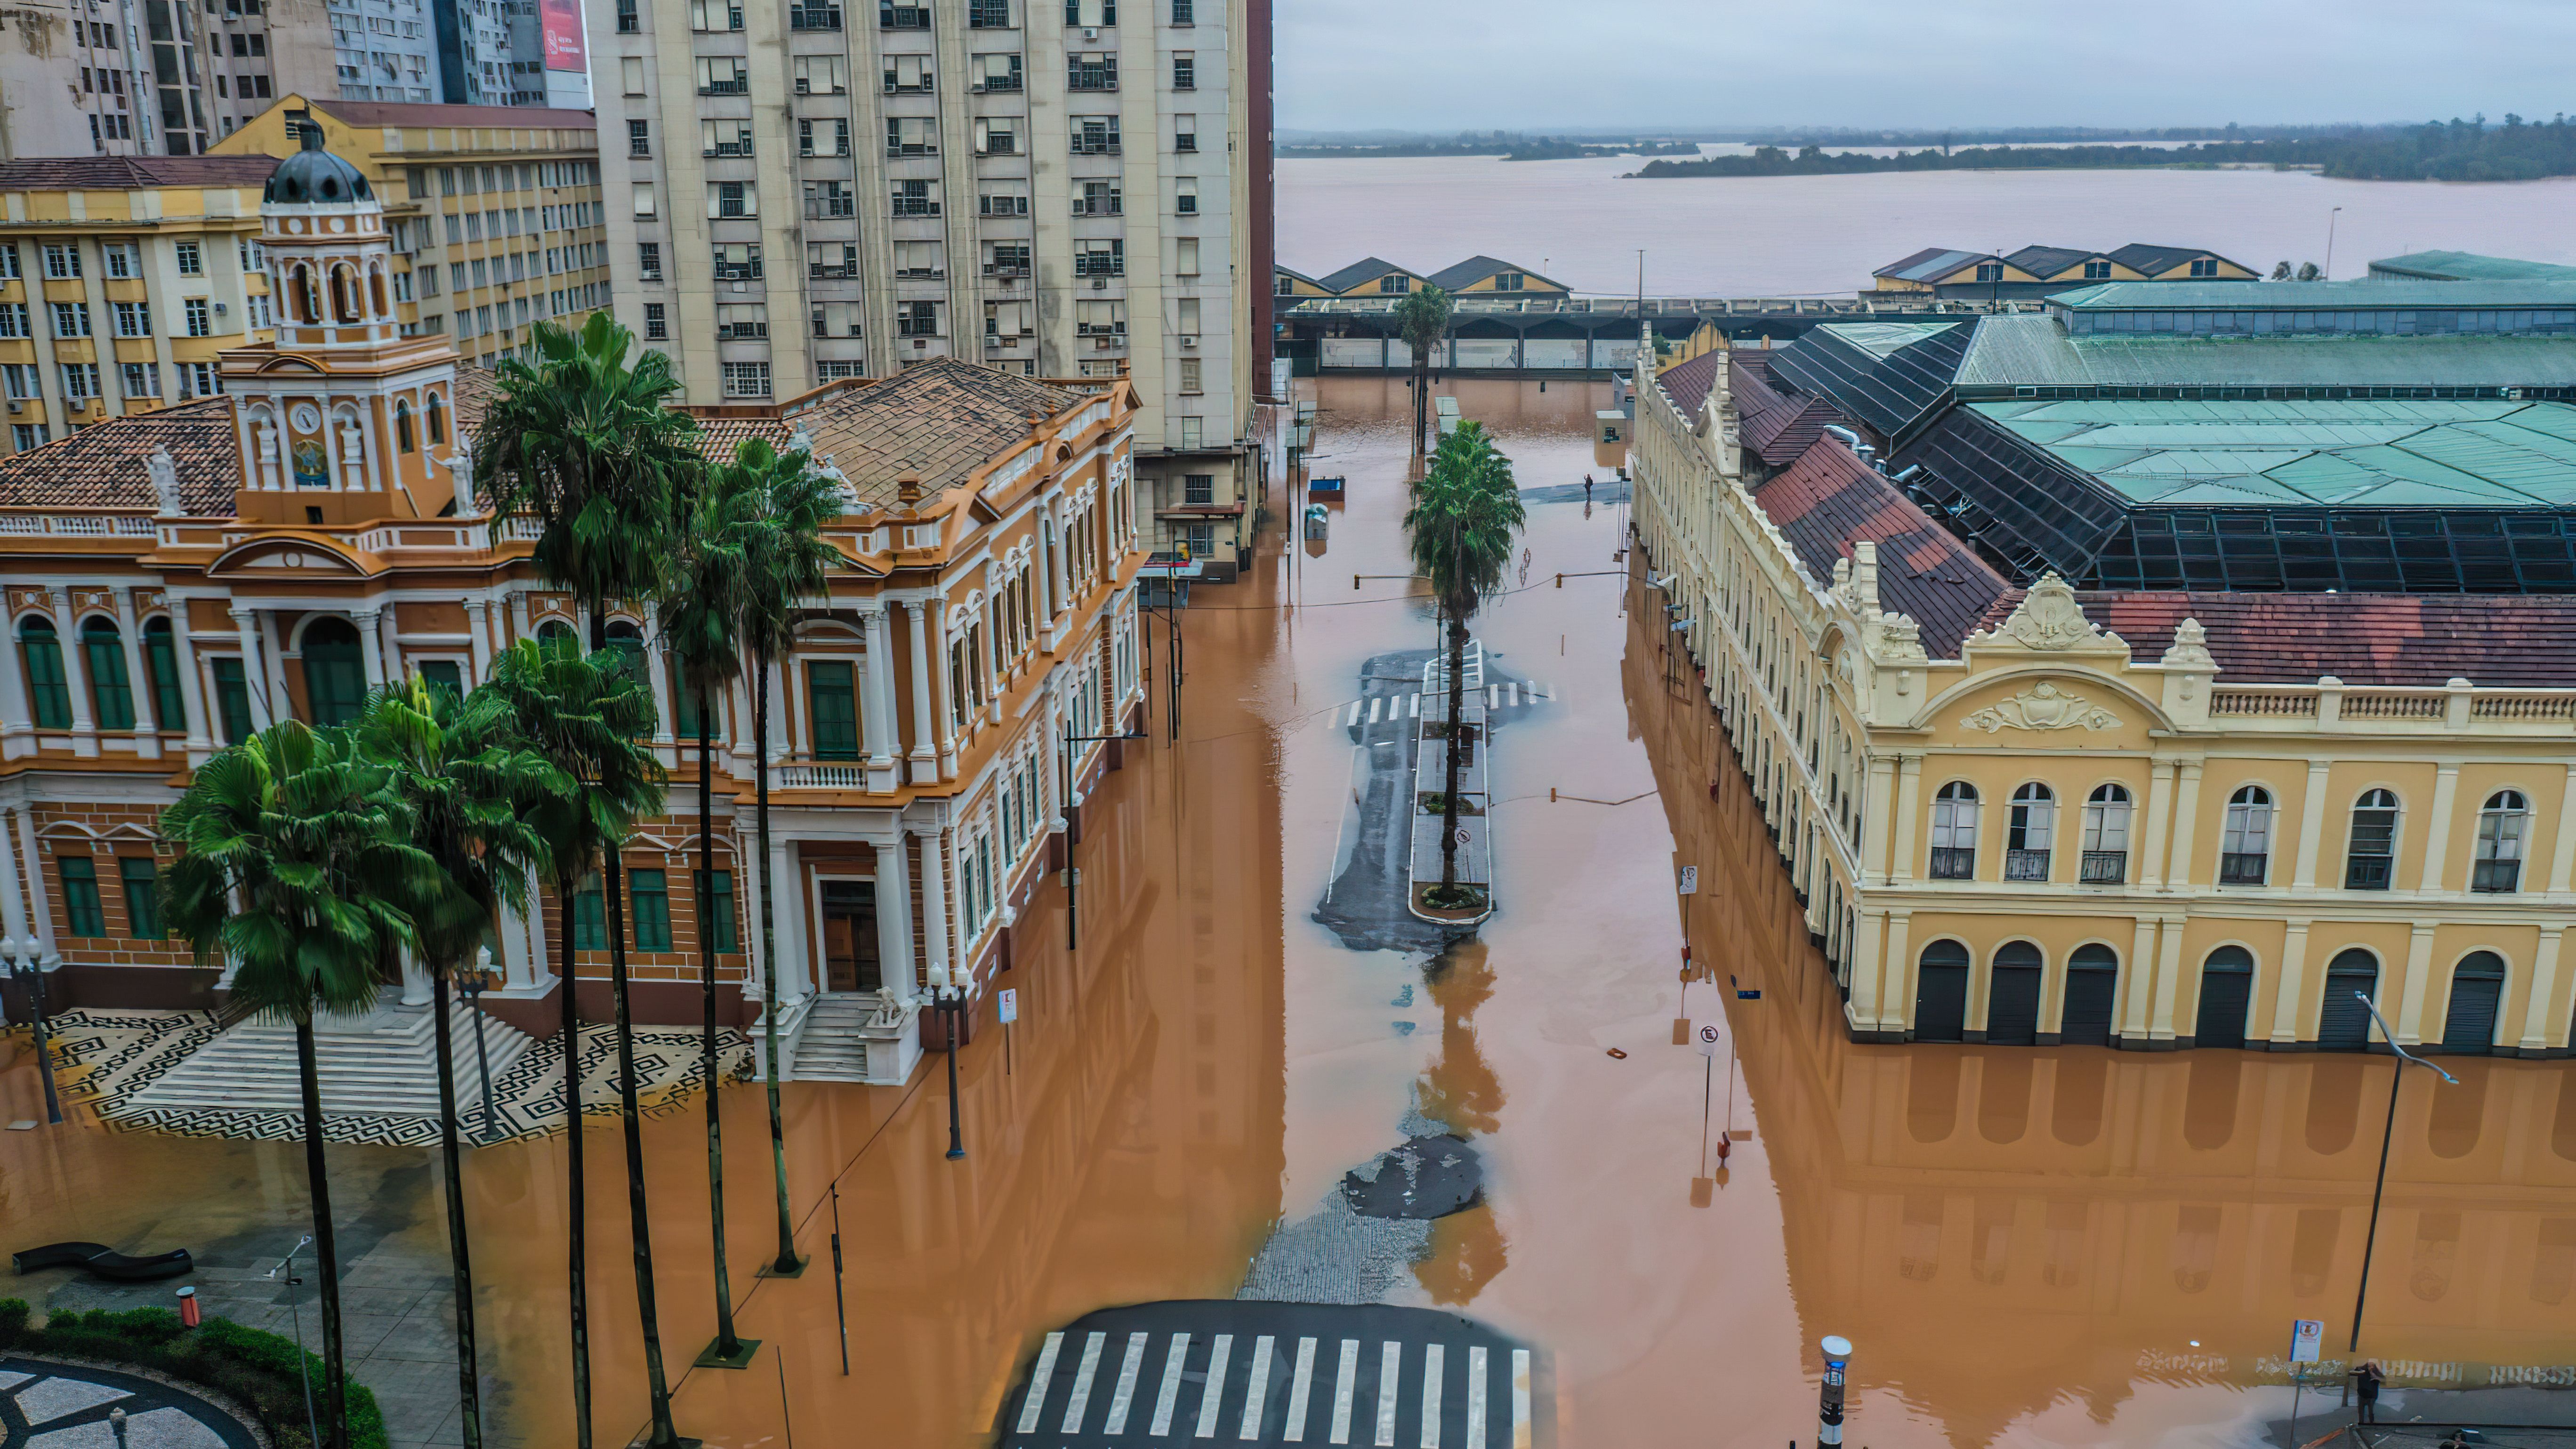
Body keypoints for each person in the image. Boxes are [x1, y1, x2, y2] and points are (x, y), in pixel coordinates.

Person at [2353, 1359, 2385, 1424]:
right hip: (2362, 1394)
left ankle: (2371, 1422)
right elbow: (2355, 1370)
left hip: (2372, 1395)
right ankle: (2361, 1422)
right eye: (2370, 1365)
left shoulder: (2376, 1373)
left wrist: (2374, 1376)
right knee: (2361, 1410)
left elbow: (2383, 1380)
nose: (2371, 1367)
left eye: (2373, 1365)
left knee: (2371, 1410)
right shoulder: (2362, 1371)